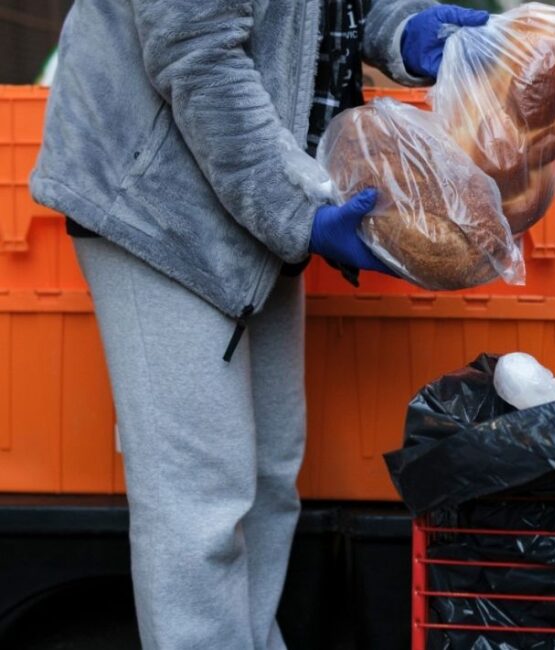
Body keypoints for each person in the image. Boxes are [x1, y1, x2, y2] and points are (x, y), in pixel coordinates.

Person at [30, 1, 491, 648]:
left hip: (253, 194)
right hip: (160, 200)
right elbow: (197, 54)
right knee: (200, 505)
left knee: (269, 481)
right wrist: (293, 211)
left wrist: (396, 28)